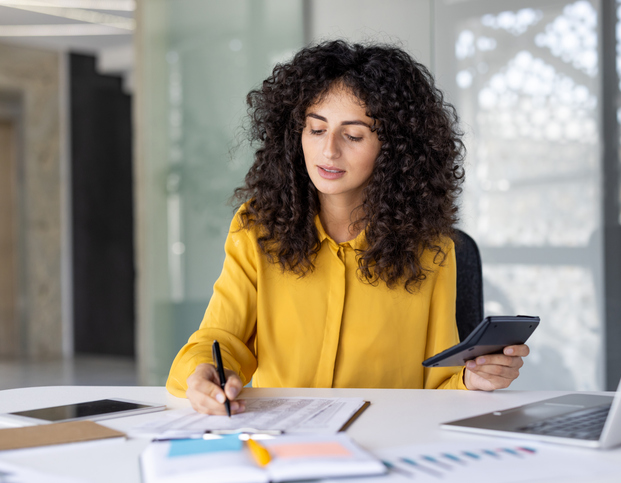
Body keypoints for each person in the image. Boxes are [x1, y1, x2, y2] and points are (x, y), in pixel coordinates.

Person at [166, 40, 530, 415]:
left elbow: (440, 383)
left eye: (353, 136)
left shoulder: (432, 248)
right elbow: (221, 338)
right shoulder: (257, 227)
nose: (329, 151)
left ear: (394, 148)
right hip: (285, 440)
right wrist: (204, 372)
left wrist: (474, 379)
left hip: (390, 440)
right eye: (316, 129)